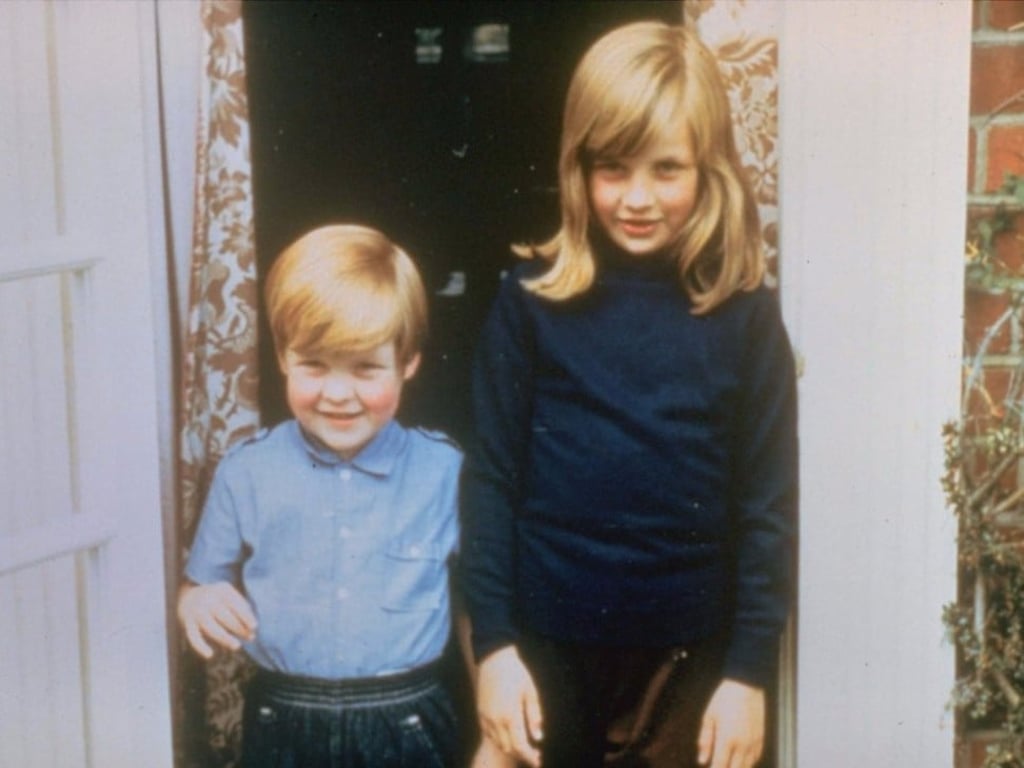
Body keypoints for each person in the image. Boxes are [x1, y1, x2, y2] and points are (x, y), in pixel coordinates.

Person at [461, 21, 798, 768]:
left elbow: (767, 508)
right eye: (612, 169)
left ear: (709, 170)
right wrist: (494, 648)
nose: (637, 198)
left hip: (691, 660)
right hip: (547, 649)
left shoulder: (744, 313)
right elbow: (488, 481)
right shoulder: (529, 302)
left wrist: (747, 675)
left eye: (667, 169)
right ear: (576, 168)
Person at [178, 224, 465, 767]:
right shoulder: (246, 471)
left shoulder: (445, 471)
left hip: (409, 720)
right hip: (282, 717)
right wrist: (197, 599)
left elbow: (483, 600)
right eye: (314, 365)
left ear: (408, 363)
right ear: (283, 357)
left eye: (365, 368)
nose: (337, 394)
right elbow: (201, 582)